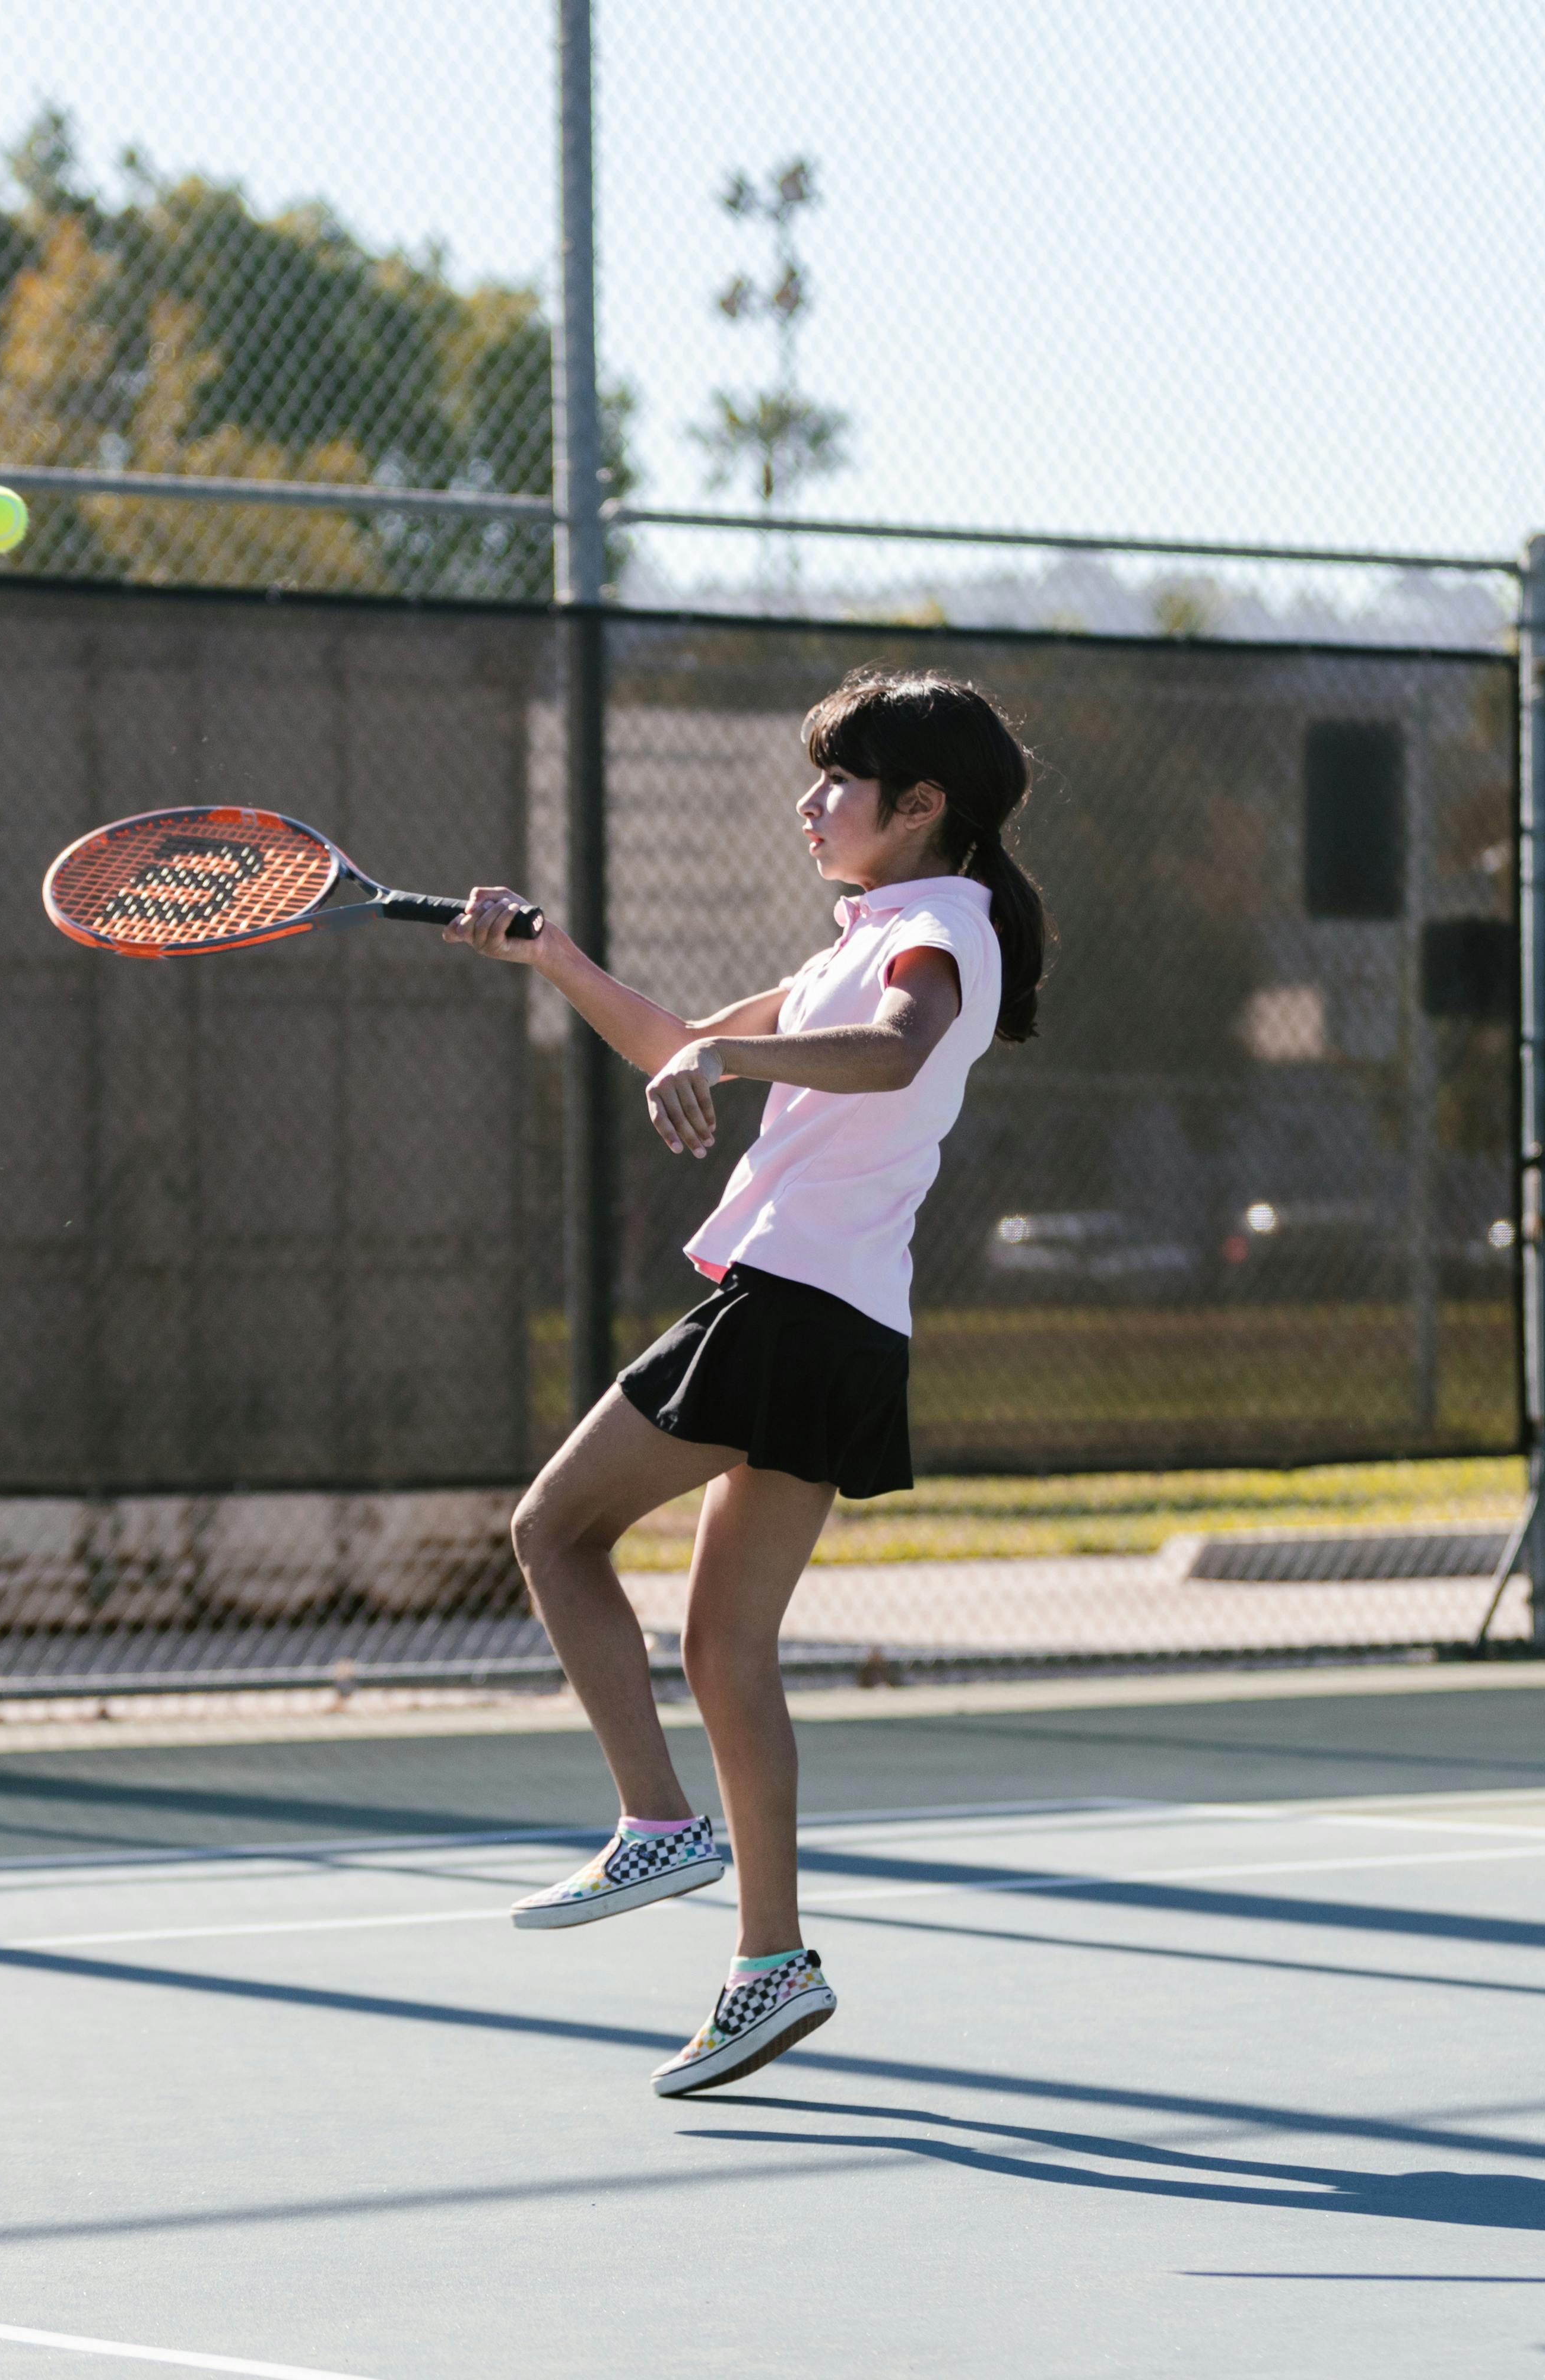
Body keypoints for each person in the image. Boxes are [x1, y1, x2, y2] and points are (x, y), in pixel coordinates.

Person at [446, 667, 1050, 2096]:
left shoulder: (935, 935)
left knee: (551, 1530)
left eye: (839, 783)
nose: (809, 803)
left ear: (922, 807)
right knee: (725, 1651)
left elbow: (889, 1053)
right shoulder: (870, 930)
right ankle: (769, 1961)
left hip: (792, 1306)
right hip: (837, 1320)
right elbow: (679, 1049)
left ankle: (657, 1819)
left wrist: (733, 1049)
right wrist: (554, 956)